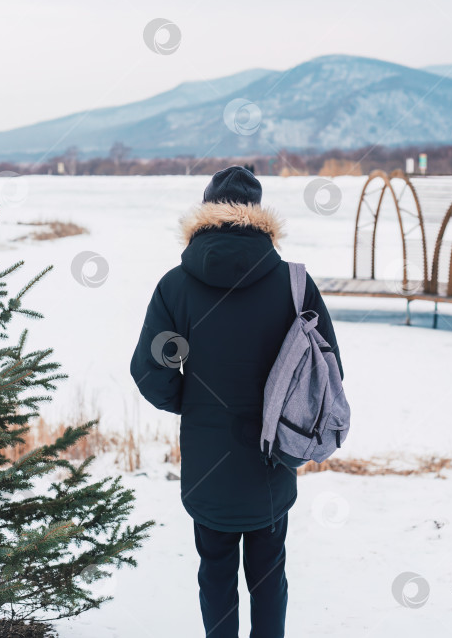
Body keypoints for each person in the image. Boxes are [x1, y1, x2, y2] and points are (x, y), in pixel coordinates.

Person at [131, 166, 344, 638]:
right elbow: (329, 373)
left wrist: (191, 402)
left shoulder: (176, 286)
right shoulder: (293, 283)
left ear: (206, 211)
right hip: (273, 460)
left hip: (208, 465)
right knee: (270, 579)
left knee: (216, 575)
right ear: (261, 216)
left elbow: (152, 372)